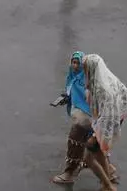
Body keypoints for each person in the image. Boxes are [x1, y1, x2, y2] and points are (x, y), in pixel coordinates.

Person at [82, 53, 127, 191]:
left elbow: (107, 115)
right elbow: (125, 94)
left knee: (88, 159)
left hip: (103, 127)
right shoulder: (109, 80)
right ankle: (107, 181)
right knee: (100, 154)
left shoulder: (102, 90)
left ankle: (108, 186)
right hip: (105, 124)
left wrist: (96, 136)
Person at [52, 51, 94, 185]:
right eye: (73, 62)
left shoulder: (86, 80)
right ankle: (109, 173)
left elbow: (88, 98)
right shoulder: (72, 77)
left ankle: (69, 173)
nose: (75, 66)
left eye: (78, 63)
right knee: (94, 147)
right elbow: (72, 93)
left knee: (75, 142)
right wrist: (67, 98)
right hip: (82, 118)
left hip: (86, 119)